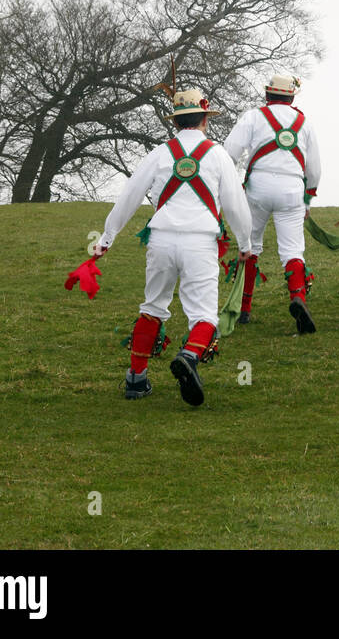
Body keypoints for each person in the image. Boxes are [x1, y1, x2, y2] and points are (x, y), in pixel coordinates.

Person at [94, 89, 253, 406]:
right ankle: (189, 355)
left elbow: (130, 195)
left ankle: (136, 380)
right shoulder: (218, 154)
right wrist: (245, 242)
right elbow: (235, 205)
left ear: (176, 121)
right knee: (204, 315)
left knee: (152, 307)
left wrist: (107, 237)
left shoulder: (159, 153)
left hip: (161, 239)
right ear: (206, 119)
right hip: (200, 241)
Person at [223, 73, 323, 334]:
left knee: (251, 245)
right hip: (292, 189)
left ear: (267, 95)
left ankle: (244, 308)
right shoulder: (305, 122)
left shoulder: (253, 116)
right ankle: (297, 298)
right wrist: (308, 198)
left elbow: (229, 152)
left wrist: (225, 184)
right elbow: (314, 167)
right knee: (292, 251)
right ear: (291, 96)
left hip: (258, 187)